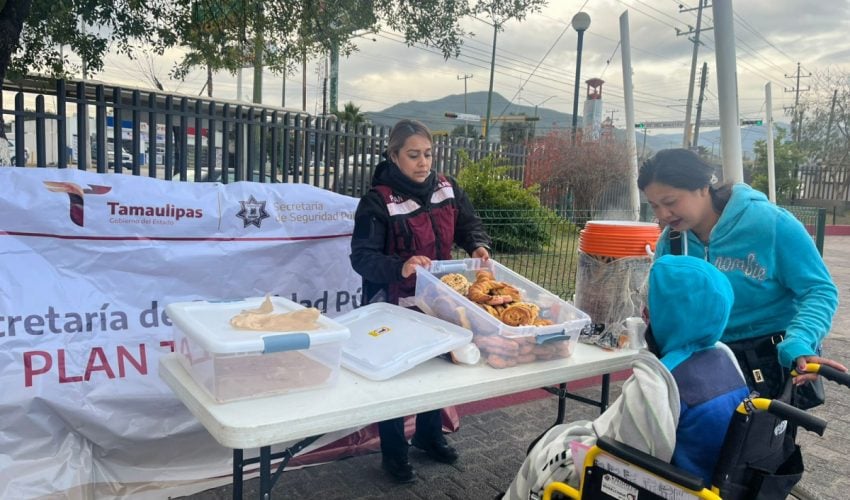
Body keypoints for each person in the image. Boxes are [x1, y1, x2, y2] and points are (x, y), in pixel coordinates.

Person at [503, 255, 750, 498]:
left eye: (650, 309)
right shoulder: (724, 359)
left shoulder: (658, 383)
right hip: (709, 483)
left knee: (545, 452)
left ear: (671, 317)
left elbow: (625, 463)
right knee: (560, 434)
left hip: (662, 487)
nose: (643, 313)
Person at [638, 148, 845, 399]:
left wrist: (801, 339)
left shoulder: (771, 224)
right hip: (704, 365)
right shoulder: (671, 241)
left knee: (763, 426)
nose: (662, 215)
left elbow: (819, 290)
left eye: (670, 202)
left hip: (769, 361)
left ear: (703, 187)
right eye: (654, 206)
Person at [349, 118, 491, 483]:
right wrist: (401, 266)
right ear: (394, 156)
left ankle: (429, 436)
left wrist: (477, 244)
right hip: (392, 304)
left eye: (428, 154)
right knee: (397, 379)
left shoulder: (448, 187)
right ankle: (394, 454)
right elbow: (361, 257)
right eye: (413, 155)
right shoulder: (377, 201)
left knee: (435, 373)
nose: (423, 162)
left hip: (437, 300)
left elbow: (469, 225)